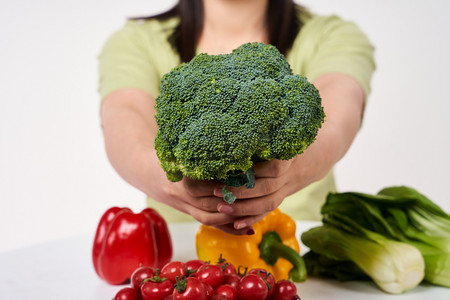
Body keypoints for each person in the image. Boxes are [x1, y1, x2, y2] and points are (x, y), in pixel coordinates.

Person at [98, 0, 375, 235]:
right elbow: (125, 116)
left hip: (301, 253)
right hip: (181, 262)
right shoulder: (136, 40)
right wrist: (166, 181)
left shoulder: (332, 35)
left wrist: (292, 172)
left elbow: (338, 114)